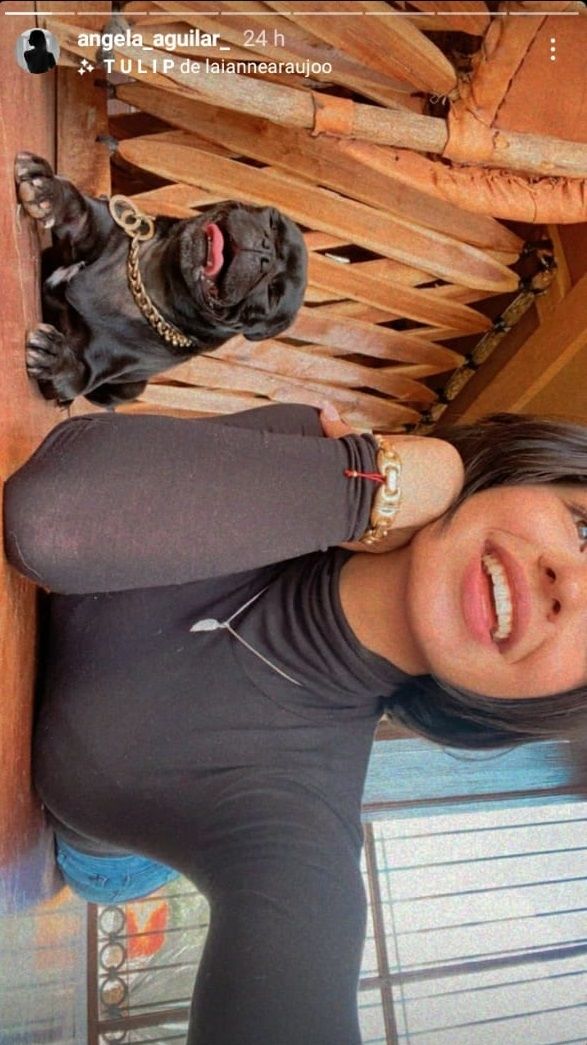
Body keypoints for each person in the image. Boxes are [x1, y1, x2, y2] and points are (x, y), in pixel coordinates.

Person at [3, 402, 587, 1045]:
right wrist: (380, 484)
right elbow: (46, 517)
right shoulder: (322, 467)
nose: (571, 584)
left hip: (109, 857)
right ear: (524, 473)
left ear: (552, 701)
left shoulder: (301, 836)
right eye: (585, 530)